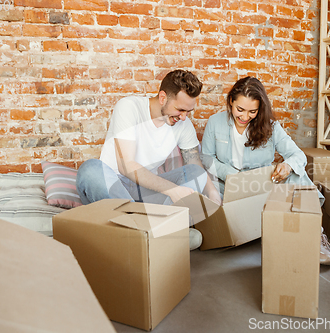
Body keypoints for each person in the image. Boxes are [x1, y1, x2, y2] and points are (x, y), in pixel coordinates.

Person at [76, 69, 221, 250]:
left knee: (194, 173)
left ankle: (146, 234)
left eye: (188, 111)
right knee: (90, 169)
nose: (183, 117)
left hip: (145, 193)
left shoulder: (184, 124)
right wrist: (172, 190)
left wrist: (214, 194)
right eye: (180, 109)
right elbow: (126, 166)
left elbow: (195, 165)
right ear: (162, 98)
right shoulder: (129, 107)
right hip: (113, 189)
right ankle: (162, 236)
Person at [200, 76, 330, 265]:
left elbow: (298, 156)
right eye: (240, 110)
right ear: (231, 101)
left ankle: (315, 236)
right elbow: (206, 157)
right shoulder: (215, 122)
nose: (245, 117)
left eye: (252, 111)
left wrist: (287, 165)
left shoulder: (271, 126)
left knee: (297, 172)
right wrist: (230, 175)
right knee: (197, 179)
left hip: (260, 186)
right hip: (226, 185)